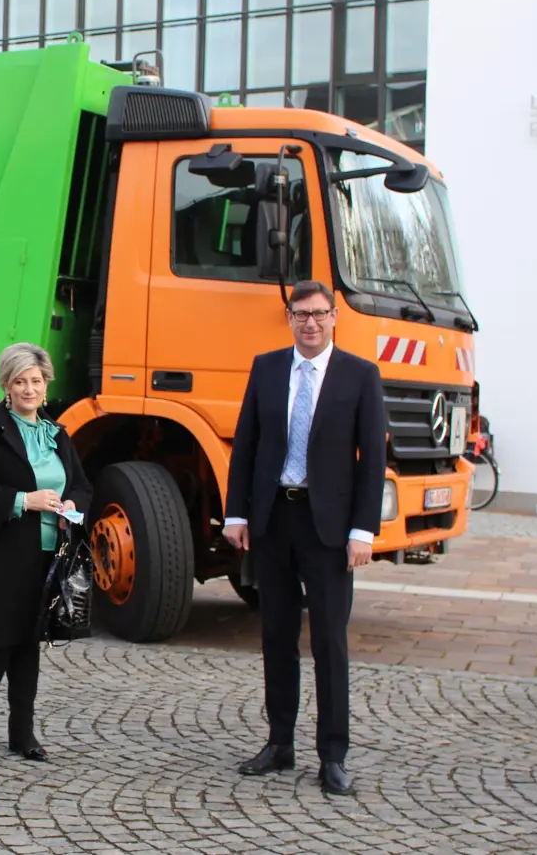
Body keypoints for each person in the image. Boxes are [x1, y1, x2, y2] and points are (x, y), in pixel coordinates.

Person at [222, 279, 387, 796]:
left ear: (334, 317)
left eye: (319, 314)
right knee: (276, 637)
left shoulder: (360, 375)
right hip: (273, 521)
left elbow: (372, 461)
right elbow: (246, 443)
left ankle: (333, 755)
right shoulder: (267, 367)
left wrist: (363, 530)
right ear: (289, 318)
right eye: (300, 314)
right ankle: (279, 743)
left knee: (330, 643)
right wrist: (236, 514)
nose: (310, 323)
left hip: (330, 530)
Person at [0, 343, 92, 773]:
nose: (29, 388)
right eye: (20, 381)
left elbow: (83, 486)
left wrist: (72, 506)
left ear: (46, 386)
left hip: (47, 556)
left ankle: (22, 735)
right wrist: (22, 500)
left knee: (28, 649)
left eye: (36, 380)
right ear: (6, 386)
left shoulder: (57, 434)